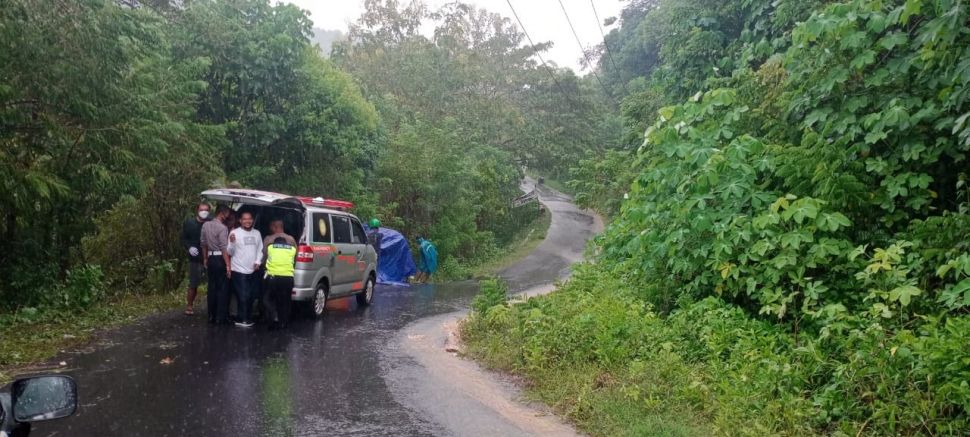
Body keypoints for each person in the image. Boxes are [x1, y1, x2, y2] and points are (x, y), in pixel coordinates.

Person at [227, 211, 262, 328]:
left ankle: (248, 317)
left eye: (249, 219)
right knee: (243, 295)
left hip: (252, 270)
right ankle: (242, 319)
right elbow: (229, 252)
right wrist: (231, 243)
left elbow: (260, 249)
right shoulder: (234, 233)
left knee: (252, 295)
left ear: (252, 220)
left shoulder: (257, 233)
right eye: (244, 219)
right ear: (240, 221)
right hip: (238, 269)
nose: (247, 221)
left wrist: (258, 261)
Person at [200, 205, 232, 324]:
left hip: (210, 258)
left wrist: (205, 258)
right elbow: (224, 248)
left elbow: (203, 244)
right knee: (222, 288)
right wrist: (228, 265)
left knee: (211, 287)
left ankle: (211, 315)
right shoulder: (222, 228)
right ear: (222, 213)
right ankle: (220, 316)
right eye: (227, 213)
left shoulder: (205, 225)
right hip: (220, 259)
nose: (228, 216)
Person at [180, 203, 210, 315]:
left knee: (212, 283)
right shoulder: (189, 223)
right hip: (195, 258)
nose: (204, 212)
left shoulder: (210, 222)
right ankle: (189, 305)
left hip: (209, 257)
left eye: (206, 210)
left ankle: (211, 306)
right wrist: (189, 248)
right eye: (202, 209)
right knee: (193, 283)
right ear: (197, 210)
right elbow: (183, 238)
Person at [264, 236, 297, 330]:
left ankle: (272, 318)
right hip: (288, 278)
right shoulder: (293, 249)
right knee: (285, 301)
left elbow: (266, 258)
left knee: (268, 299)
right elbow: (293, 262)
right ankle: (284, 323)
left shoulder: (270, 247)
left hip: (273, 277)